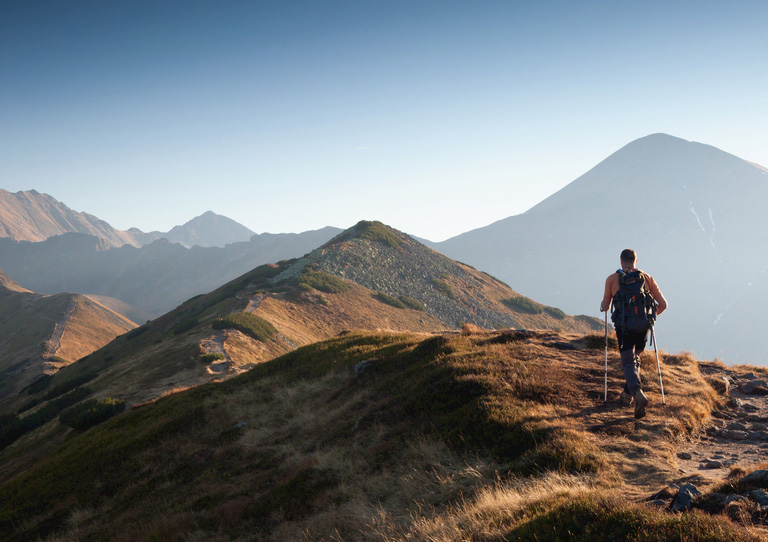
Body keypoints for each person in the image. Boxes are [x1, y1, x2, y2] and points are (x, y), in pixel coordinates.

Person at [600, 249, 667, 418]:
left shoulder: (612, 279)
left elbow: (606, 306)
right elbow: (663, 304)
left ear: (621, 261)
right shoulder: (647, 278)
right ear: (636, 260)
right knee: (635, 359)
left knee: (629, 362)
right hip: (643, 327)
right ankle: (627, 396)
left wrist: (604, 305)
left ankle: (637, 393)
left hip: (624, 327)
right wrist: (649, 318)